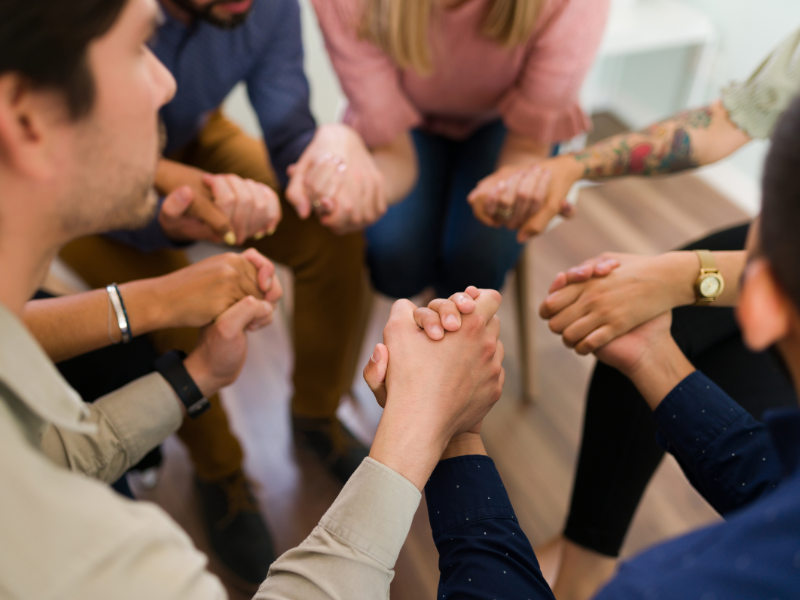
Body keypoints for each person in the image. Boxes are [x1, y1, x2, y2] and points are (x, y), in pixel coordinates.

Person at [56, 0, 387, 584]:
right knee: (169, 289)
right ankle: (222, 472)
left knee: (331, 234)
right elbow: (81, 152)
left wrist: (329, 161)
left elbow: (289, 130)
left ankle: (315, 414)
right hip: (86, 174)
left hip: (193, 138)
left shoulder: (269, 8)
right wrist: (172, 211)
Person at [523, 26, 800, 600]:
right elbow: (723, 123)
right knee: (630, 320)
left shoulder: (658, 586)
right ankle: (584, 556)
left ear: (765, 305)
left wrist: (454, 442)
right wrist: (574, 166)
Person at [309, 0, 608, 298]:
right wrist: (360, 191)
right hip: (400, 120)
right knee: (396, 266)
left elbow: (527, 144)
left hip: (509, 122)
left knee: (477, 265)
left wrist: (515, 186)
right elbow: (392, 151)